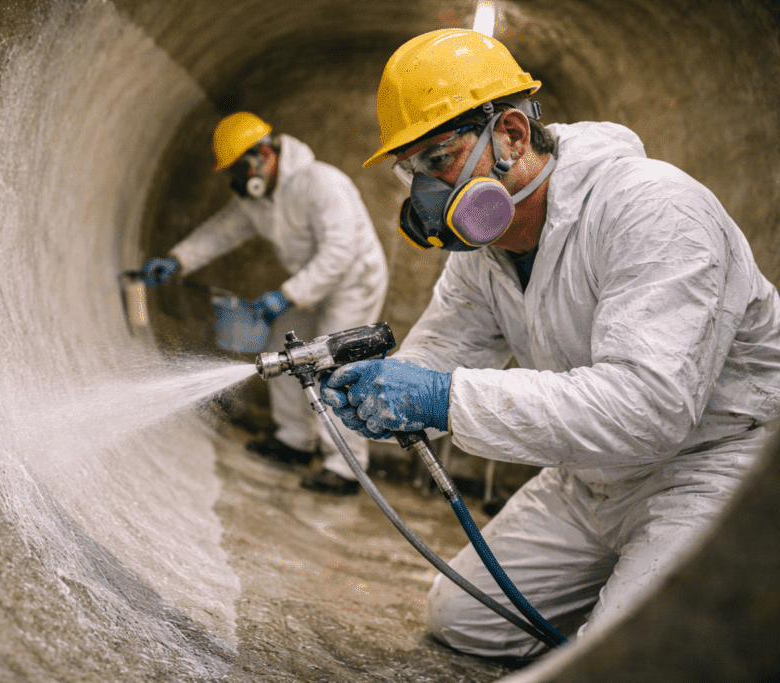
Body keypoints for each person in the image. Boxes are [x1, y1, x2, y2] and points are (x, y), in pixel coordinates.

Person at [321, 28, 780, 657]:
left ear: (510, 134)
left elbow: (649, 409)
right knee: (461, 616)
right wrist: (381, 388)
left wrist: (438, 398)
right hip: (590, 477)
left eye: (439, 160)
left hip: (710, 465)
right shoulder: (483, 256)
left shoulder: (653, 210)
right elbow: (440, 357)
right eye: (411, 170)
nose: (425, 193)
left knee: (626, 656)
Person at [142, 111, 388, 496]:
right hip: (306, 284)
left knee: (335, 366)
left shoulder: (320, 182)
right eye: (232, 171)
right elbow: (221, 231)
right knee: (282, 350)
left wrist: (285, 295)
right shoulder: (256, 201)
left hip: (354, 282)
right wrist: (179, 260)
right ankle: (294, 441)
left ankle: (345, 468)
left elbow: (341, 252)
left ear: (264, 154)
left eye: (242, 166)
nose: (239, 178)